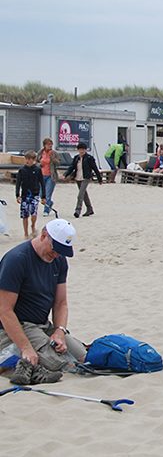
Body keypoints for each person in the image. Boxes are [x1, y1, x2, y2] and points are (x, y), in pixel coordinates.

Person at [0, 219, 85, 384]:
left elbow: (61, 303)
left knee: (81, 357)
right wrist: (26, 348)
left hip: (43, 325)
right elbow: (4, 310)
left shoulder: (59, 261)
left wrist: (59, 331)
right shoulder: (16, 260)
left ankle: (26, 359)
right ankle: (18, 361)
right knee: (59, 364)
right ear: (44, 235)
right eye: (56, 249)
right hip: (17, 325)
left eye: (63, 251)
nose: (57, 254)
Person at [63, 142, 102, 218]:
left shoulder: (89, 158)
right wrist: (66, 174)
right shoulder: (76, 158)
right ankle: (89, 209)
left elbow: (95, 168)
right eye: (80, 149)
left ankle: (78, 210)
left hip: (86, 178)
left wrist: (99, 179)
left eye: (83, 149)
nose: (82, 151)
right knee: (84, 194)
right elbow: (72, 167)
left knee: (80, 195)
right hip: (78, 178)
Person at [16, 151, 45, 238]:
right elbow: (18, 183)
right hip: (24, 195)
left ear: (34, 160)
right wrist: (17, 195)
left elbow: (42, 183)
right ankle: (25, 233)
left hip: (35, 194)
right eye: (27, 159)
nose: (29, 161)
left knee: (34, 213)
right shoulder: (22, 170)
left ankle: (33, 225)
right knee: (25, 215)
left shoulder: (37, 170)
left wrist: (43, 196)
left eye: (31, 159)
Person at [37, 138, 60, 217]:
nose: (50, 146)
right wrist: (40, 164)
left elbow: (59, 162)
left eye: (51, 144)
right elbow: (35, 162)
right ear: (44, 145)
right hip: (41, 175)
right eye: (48, 144)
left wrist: (52, 159)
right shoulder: (40, 153)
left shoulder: (54, 153)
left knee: (48, 194)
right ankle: (49, 203)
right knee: (41, 194)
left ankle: (46, 210)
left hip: (51, 175)